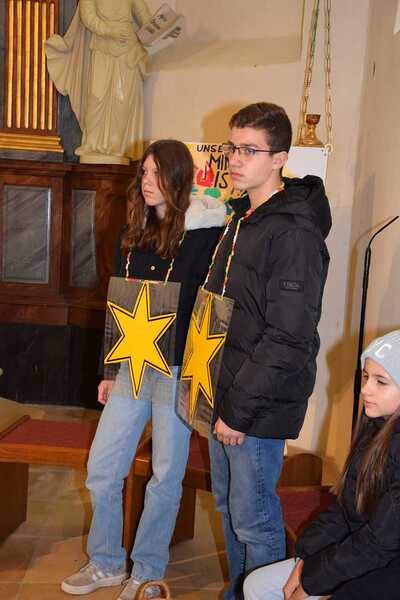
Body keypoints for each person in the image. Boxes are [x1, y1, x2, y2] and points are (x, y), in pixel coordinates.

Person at [61, 140, 226, 599]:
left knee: (165, 476)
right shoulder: (132, 233)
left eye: (157, 174)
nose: (148, 182)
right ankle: (107, 562)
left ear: (178, 178)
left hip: (175, 369)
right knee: (103, 467)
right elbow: (118, 304)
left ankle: (147, 572)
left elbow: (209, 309)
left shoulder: (205, 235)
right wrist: (107, 370)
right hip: (132, 362)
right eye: (144, 174)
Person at [203, 102, 331, 599]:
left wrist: (238, 410)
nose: (235, 160)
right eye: (232, 148)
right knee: (229, 510)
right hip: (226, 390)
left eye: (249, 150)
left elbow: (289, 336)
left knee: (255, 522)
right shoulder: (243, 219)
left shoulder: (294, 231)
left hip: (256, 404)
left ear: (280, 158)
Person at [243, 329, 400, 600]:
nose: (365, 389)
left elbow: (377, 544)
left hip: (386, 567)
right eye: (366, 377)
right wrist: (307, 555)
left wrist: (311, 582)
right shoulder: (375, 427)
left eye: (381, 382)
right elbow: (346, 510)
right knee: (256, 585)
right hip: (365, 553)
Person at [46, 0, 152, 164]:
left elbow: (145, 18)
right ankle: (92, 144)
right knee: (97, 98)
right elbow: (88, 17)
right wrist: (110, 31)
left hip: (127, 50)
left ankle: (117, 146)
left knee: (122, 101)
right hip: (102, 48)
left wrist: (162, 28)